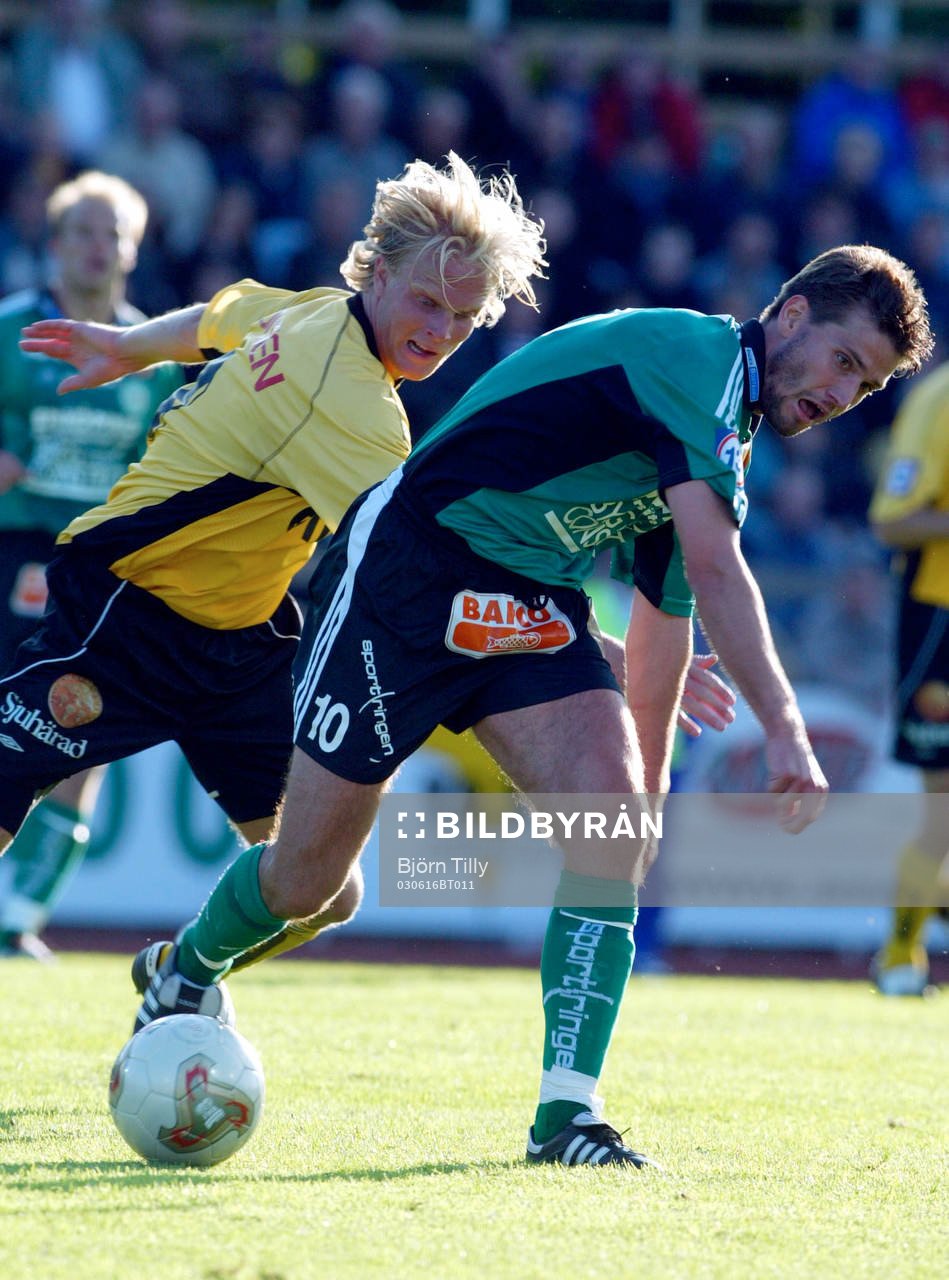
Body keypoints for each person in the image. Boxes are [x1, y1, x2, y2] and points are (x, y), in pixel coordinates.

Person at [106, 244, 931, 1168]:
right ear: (787, 316)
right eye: (844, 363)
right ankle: (187, 970)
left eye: (864, 388)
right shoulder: (692, 364)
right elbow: (714, 567)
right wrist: (780, 724)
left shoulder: (719, 440)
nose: (842, 396)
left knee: (612, 832)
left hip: (530, 606)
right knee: (311, 886)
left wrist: (647, 797)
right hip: (409, 578)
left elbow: (665, 630)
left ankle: (566, 1118)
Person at [1, 153, 547, 975]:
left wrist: (130, 346)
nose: (440, 333)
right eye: (427, 302)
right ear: (377, 270)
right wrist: (560, 631)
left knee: (324, 888)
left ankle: (178, 978)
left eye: (463, 318)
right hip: (131, 597)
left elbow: (214, 319)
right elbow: (415, 562)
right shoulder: (357, 406)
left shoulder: (309, 313)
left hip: (237, 640)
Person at [0, 170, 182, 960]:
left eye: (111, 233)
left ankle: (20, 919)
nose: (95, 246)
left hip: (101, 568)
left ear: (132, 249)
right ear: (55, 243)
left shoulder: (154, 355)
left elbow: (170, 468)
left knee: (84, 730)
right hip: (12, 551)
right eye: (81, 230)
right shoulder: (11, 330)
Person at [868, 359, 949, 995]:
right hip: (940, 620)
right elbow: (893, 519)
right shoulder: (938, 400)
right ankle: (901, 957)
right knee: (941, 812)